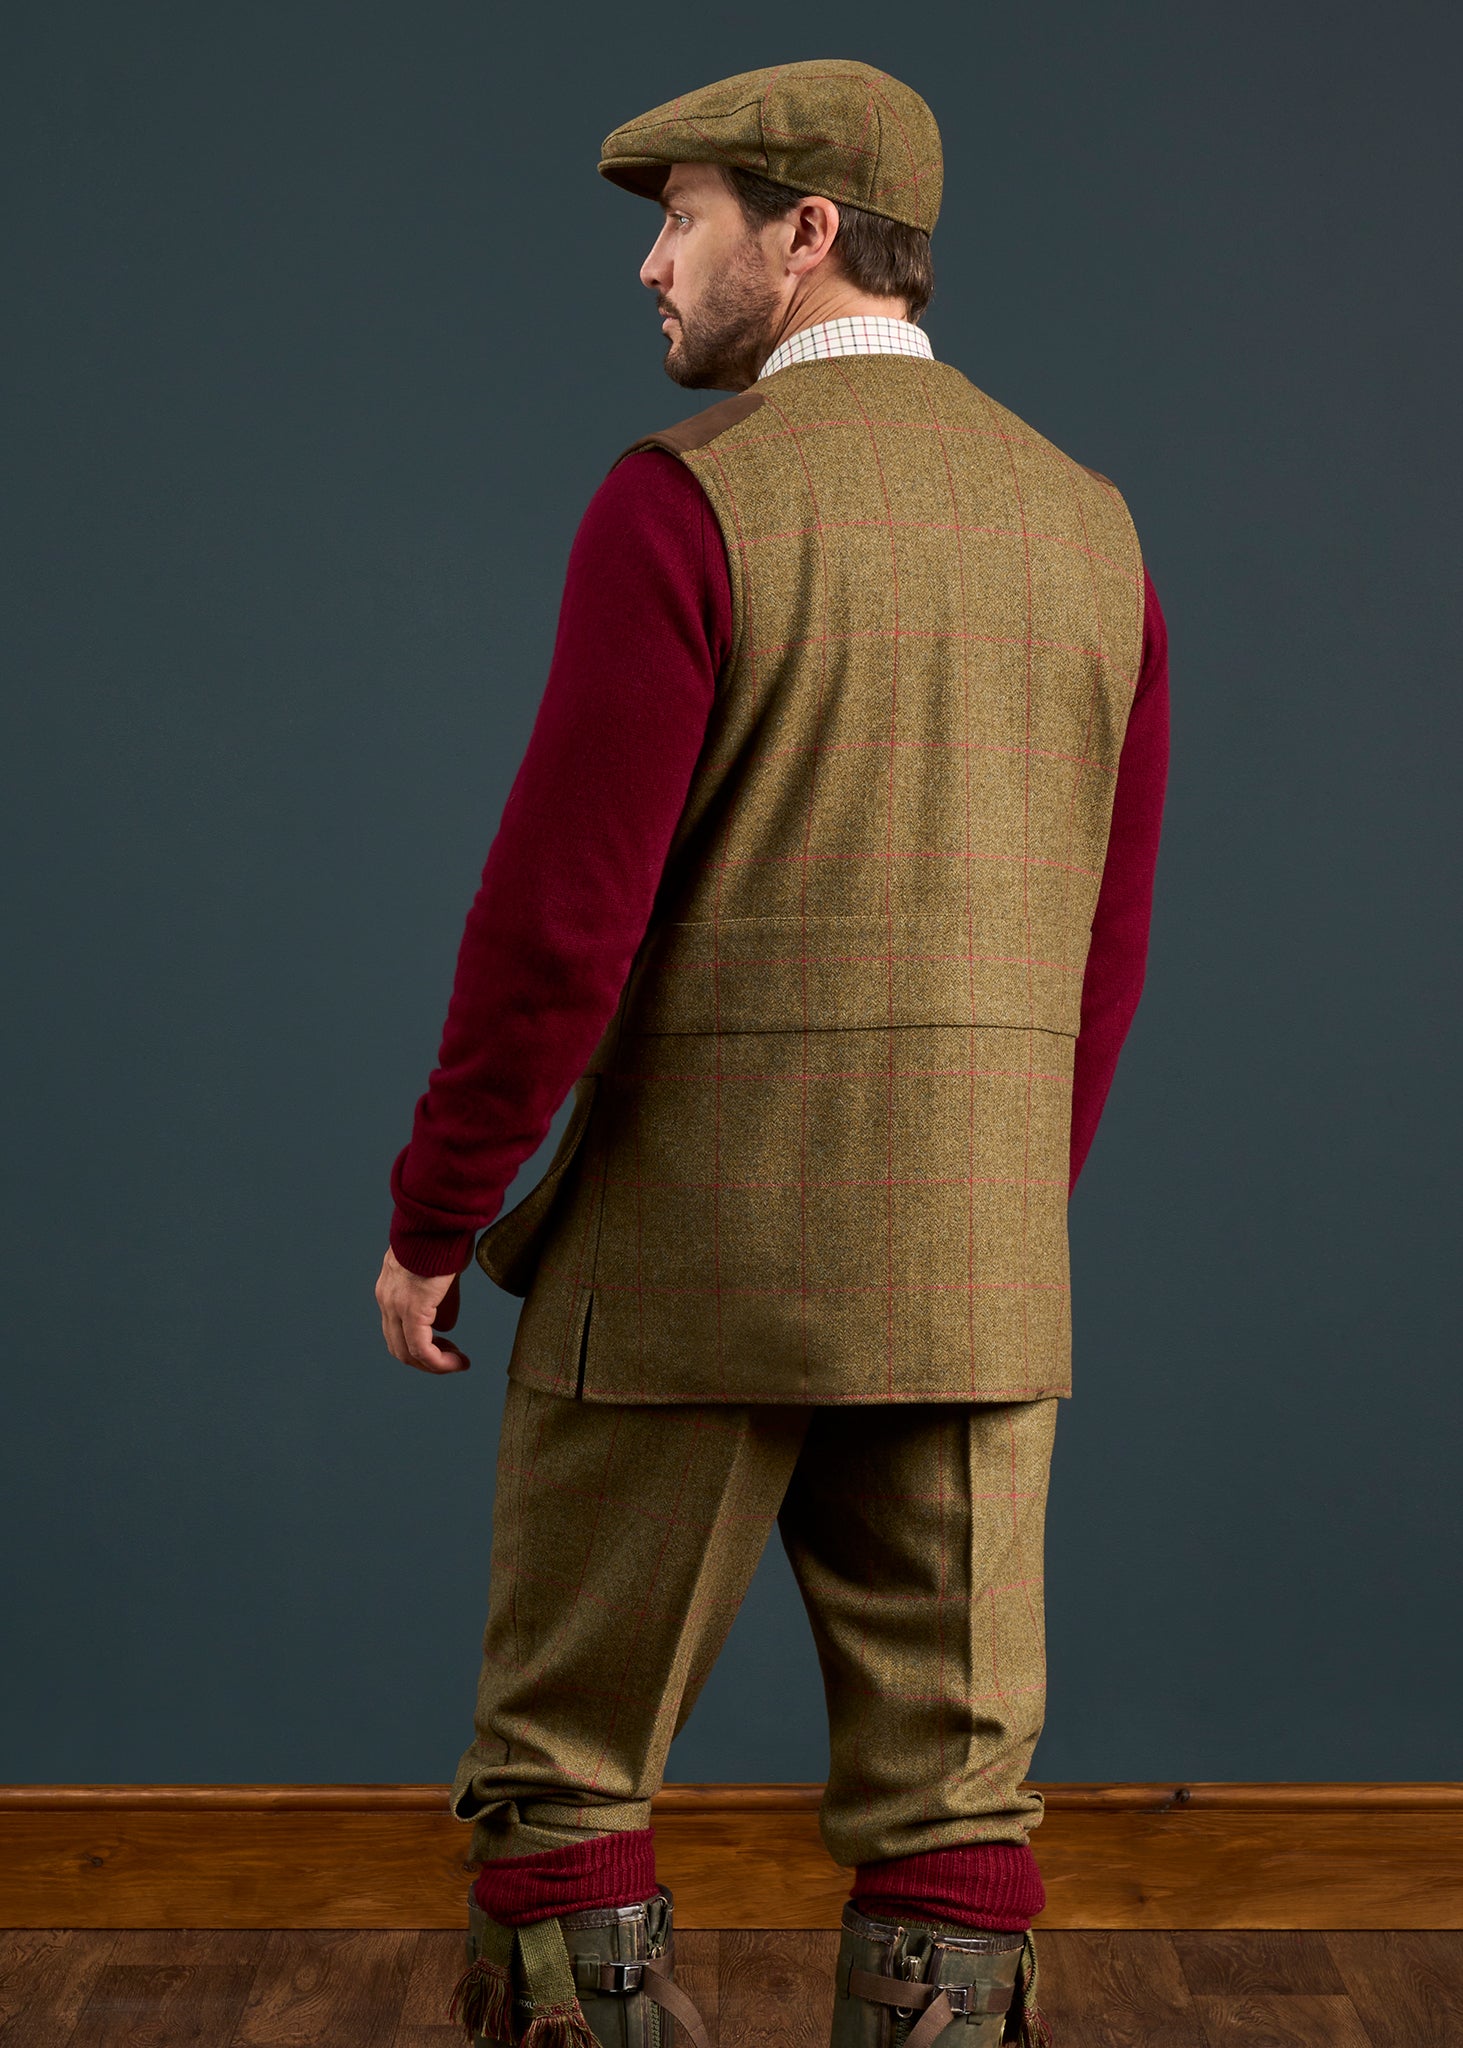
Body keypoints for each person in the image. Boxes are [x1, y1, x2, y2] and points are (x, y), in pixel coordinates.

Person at [376, 58, 1169, 2048]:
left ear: (806, 234)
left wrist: (438, 1211)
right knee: (955, 1816)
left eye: (685, 219)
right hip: (975, 1265)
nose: (653, 266)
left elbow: (561, 923)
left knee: (565, 1783)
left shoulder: (688, 501)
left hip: (682, 1266)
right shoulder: (1092, 527)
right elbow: (1106, 946)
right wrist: (998, 1207)